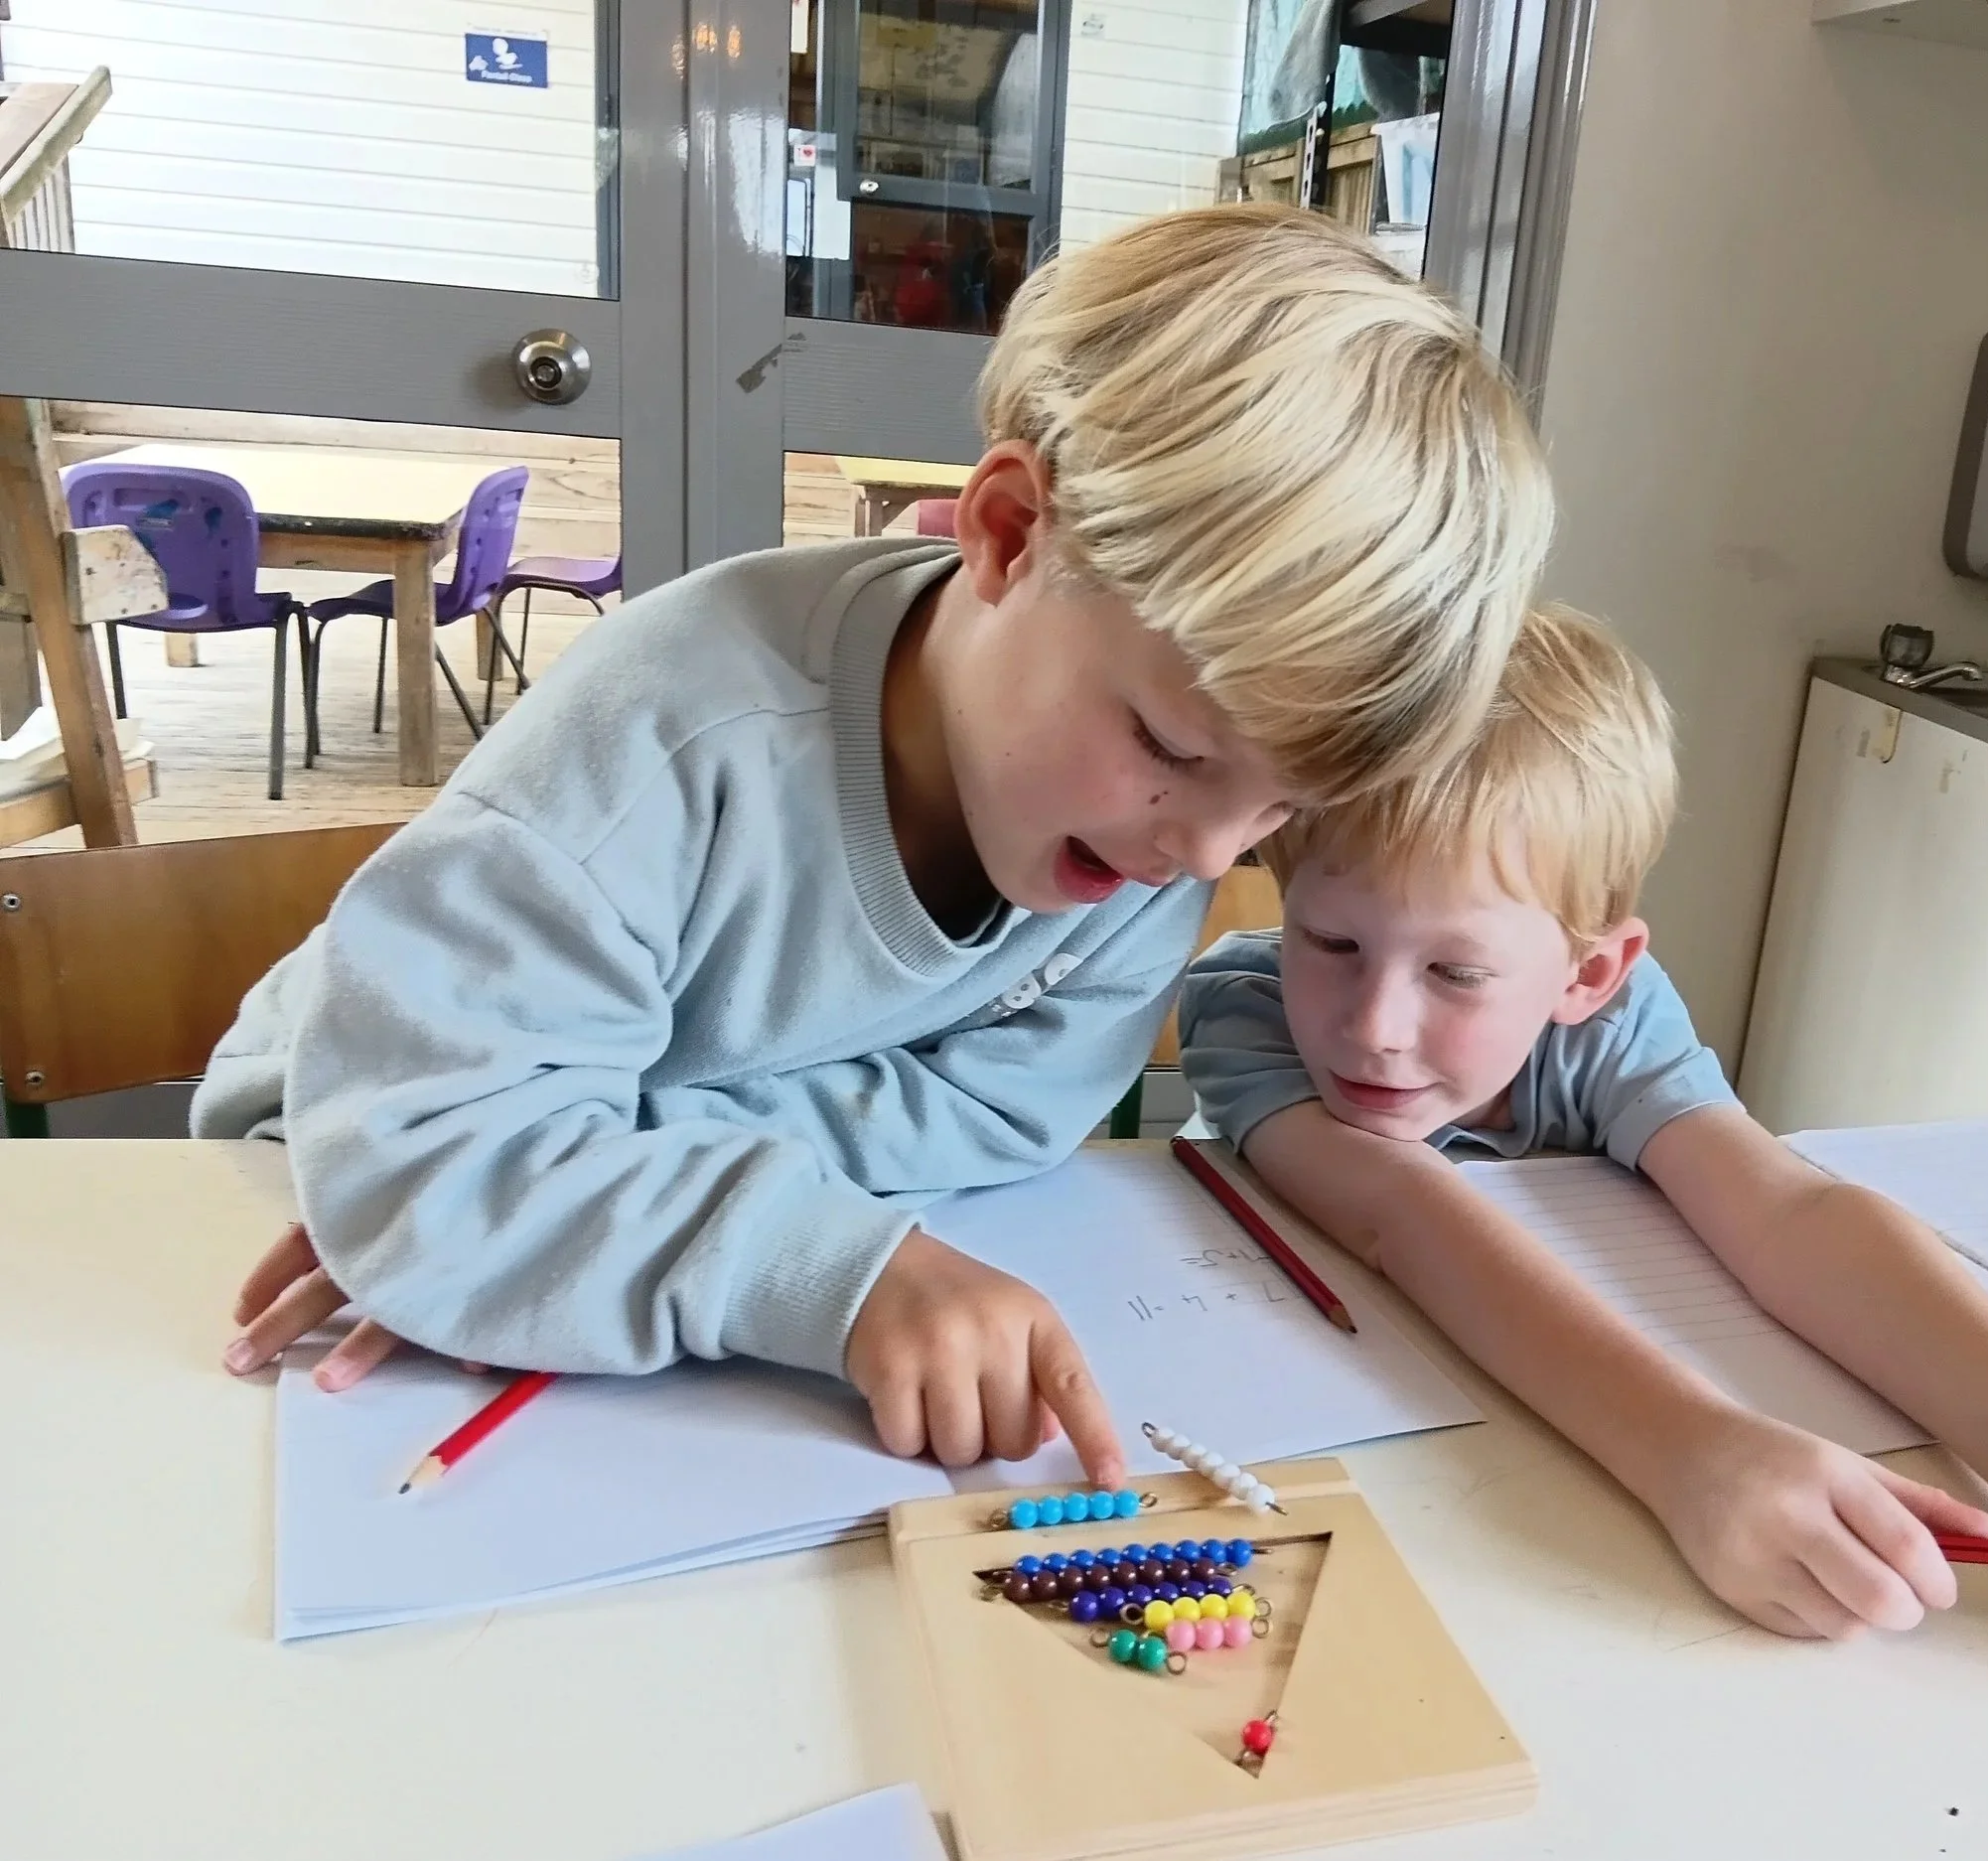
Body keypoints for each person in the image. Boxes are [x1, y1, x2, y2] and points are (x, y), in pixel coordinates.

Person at [202, 205, 1554, 1490]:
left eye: (1273, 814)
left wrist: (561, 1194)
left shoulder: (1139, 838)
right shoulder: (674, 738)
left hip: (550, 1203)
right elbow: (421, 1146)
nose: (1205, 860)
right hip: (314, 1148)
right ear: (1010, 533)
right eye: (1178, 750)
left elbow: (1003, 1111)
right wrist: (517, 1200)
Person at [1180, 604, 1988, 1674]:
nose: (1373, 1025)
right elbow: (1399, 1212)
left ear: (1589, 971)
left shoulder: (1614, 1027)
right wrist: (1691, 1446)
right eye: (1328, 940)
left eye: (1455, 970)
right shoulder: (1243, 1010)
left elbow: (1783, 1210)